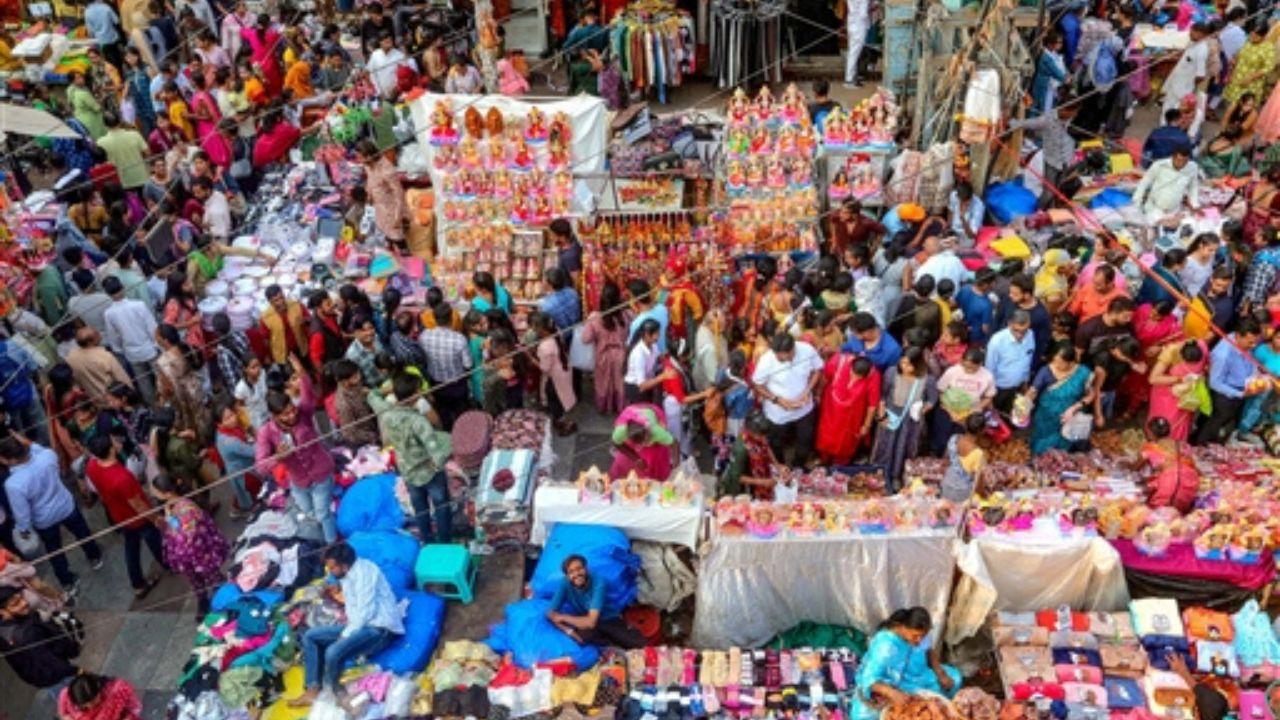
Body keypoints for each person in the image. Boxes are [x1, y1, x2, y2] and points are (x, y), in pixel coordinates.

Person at [290, 543, 404, 707]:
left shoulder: (366, 573)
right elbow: (354, 611)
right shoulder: (346, 575)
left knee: (333, 651)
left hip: (380, 629)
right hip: (361, 625)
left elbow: (366, 612)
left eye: (332, 567)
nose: (330, 571)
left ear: (344, 565)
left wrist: (344, 636)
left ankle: (332, 691)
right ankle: (312, 689)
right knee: (310, 636)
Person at [0, 438, 103, 593]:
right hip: (65, 505)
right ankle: (94, 557)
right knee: (82, 532)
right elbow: (35, 447)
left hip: (44, 520)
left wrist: (23, 530)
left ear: (9, 459)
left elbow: (22, 514)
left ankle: (67, 580)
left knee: (55, 550)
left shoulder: (13, 484)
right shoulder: (47, 455)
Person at [255, 356, 337, 543]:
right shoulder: (266, 433)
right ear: (274, 416)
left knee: (322, 513)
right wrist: (278, 457)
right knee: (309, 514)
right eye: (286, 414)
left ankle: (332, 546)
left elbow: (308, 395)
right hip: (299, 481)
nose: (292, 415)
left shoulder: (304, 413)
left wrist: (301, 372)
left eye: (292, 410)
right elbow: (260, 466)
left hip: (320, 473)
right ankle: (321, 540)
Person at [369, 374, 453, 543]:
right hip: (428, 472)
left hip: (407, 470)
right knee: (441, 506)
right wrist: (439, 464)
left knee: (420, 508)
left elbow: (371, 395)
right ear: (414, 395)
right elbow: (437, 454)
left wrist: (387, 389)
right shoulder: (418, 422)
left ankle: (427, 540)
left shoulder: (386, 411)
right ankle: (444, 540)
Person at [84, 435, 164, 600]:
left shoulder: (92, 466)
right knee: (154, 538)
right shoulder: (122, 478)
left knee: (131, 548)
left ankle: (138, 584)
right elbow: (138, 505)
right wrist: (155, 518)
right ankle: (168, 563)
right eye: (113, 441)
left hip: (119, 515)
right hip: (137, 517)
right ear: (111, 449)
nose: (117, 442)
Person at [850, 607, 961, 720]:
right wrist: (891, 693)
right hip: (890, 681)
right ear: (902, 627)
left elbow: (928, 650)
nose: (919, 640)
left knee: (955, 678)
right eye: (915, 636)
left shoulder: (919, 634)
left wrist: (941, 673)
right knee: (862, 716)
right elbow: (868, 679)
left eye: (922, 636)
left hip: (916, 675)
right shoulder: (886, 646)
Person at [149, 474, 228, 618]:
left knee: (212, 577)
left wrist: (166, 528)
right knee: (195, 580)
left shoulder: (186, 508)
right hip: (186, 555)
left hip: (199, 553)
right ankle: (203, 600)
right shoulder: (169, 505)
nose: (152, 493)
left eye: (155, 491)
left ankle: (226, 600)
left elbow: (188, 536)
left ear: (167, 493)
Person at [752, 333, 823, 467]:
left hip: (804, 410)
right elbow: (757, 385)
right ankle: (781, 469)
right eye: (778, 356)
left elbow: (817, 370)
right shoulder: (766, 360)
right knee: (776, 444)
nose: (781, 358)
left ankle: (798, 467)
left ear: (793, 349)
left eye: (785, 356)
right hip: (778, 414)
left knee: (805, 441)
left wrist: (808, 391)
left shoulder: (807, 350)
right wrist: (777, 400)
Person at [871, 347, 937, 491]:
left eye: (909, 364)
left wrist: (923, 409)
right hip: (891, 415)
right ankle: (880, 473)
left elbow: (932, 399)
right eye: (902, 363)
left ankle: (896, 476)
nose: (905, 367)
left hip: (911, 421)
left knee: (905, 448)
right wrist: (881, 415)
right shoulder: (891, 373)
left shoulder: (927, 379)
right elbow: (883, 395)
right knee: (885, 445)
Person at [546, 554, 645, 648]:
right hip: (586, 621)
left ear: (586, 569)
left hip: (608, 619)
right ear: (567, 576)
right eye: (571, 572)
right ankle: (608, 646)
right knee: (584, 636)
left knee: (637, 643)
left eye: (579, 569)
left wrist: (563, 617)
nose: (576, 574)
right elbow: (550, 614)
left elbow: (591, 622)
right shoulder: (565, 583)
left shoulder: (598, 581)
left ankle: (618, 640)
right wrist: (569, 631)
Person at [1195, 318, 1265, 445]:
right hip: (1224, 396)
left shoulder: (1242, 342)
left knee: (1225, 424)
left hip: (1241, 390)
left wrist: (1256, 376)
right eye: (1250, 343)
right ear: (1238, 336)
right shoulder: (1223, 354)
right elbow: (1214, 383)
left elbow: (1250, 360)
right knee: (1212, 425)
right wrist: (1241, 394)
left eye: (1255, 342)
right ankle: (1200, 447)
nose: (1253, 346)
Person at [0, 585, 81, 690]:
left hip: (42, 676)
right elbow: (51, 662)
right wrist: (77, 671)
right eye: (16, 604)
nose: (24, 603)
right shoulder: (27, 634)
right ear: (2, 611)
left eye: (21, 597)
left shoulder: (7, 626)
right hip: (57, 676)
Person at [101, 276, 158, 405]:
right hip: (149, 348)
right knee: (160, 377)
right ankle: (167, 402)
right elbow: (152, 327)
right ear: (123, 288)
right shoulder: (139, 305)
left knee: (144, 382)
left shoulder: (109, 313)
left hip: (132, 353)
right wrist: (156, 344)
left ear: (108, 294)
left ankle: (153, 406)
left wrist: (121, 350)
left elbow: (113, 337)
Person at [1028, 344, 1095, 454]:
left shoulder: (1083, 373)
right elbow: (1033, 390)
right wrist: (1025, 402)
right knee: (1042, 446)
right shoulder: (1046, 371)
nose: (1056, 364)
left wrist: (1074, 408)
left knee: (1063, 445)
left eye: (1060, 363)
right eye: (1055, 360)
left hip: (1069, 418)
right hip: (1045, 418)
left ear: (1071, 363)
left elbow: (1090, 395)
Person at [815, 354, 880, 465]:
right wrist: (818, 395)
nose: (854, 379)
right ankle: (823, 462)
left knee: (845, 444)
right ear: (851, 367)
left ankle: (840, 468)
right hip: (830, 410)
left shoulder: (874, 376)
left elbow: (872, 404)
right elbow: (825, 378)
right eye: (853, 374)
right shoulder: (837, 361)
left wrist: (866, 425)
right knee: (825, 438)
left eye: (859, 378)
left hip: (853, 417)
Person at [418, 303, 473, 430]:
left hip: (436, 384)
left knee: (444, 415)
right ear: (451, 318)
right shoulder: (459, 339)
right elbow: (468, 365)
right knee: (461, 417)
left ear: (434, 318)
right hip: (457, 384)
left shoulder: (424, 336)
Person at [581, 283, 632, 414]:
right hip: (621, 354)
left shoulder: (595, 318)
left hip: (603, 355)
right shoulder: (626, 315)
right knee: (619, 383)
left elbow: (585, 339)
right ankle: (620, 407)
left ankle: (605, 407)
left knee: (603, 383)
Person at [1163, 23, 1210, 137]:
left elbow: (1201, 75)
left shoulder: (1202, 50)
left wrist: (1190, 87)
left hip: (1184, 88)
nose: (1190, 33)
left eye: (1193, 32)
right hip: (1176, 82)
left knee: (1175, 110)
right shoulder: (1192, 43)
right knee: (1167, 106)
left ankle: (1170, 131)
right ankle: (1164, 127)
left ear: (1201, 34)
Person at [1132, 147, 1202, 223]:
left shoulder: (1192, 167)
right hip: (1154, 208)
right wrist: (1136, 202)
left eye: (1185, 161)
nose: (1181, 164)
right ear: (1173, 158)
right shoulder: (1159, 165)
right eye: (1179, 160)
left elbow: (1193, 187)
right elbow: (1144, 183)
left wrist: (1195, 204)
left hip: (1174, 210)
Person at [536, 313, 578, 436]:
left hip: (554, 377)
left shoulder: (545, 346)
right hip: (563, 371)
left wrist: (530, 357)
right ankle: (562, 418)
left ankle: (561, 422)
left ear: (542, 329)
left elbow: (544, 368)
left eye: (535, 328)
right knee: (562, 396)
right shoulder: (557, 332)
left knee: (554, 400)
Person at [985, 311, 1036, 412]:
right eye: (1016, 330)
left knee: (1015, 413)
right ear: (1009, 324)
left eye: (1024, 331)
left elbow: (1028, 359)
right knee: (998, 415)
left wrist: (1025, 382)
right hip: (1000, 388)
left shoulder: (1030, 335)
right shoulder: (997, 341)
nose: (1020, 335)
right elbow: (990, 368)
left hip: (1020, 386)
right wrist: (989, 392)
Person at [214, 403, 258, 517]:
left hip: (240, 466)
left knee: (242, 491)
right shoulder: (230, 441)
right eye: (227, 418)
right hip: (240, 468)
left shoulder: (225, 431)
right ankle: (242, 510)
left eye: (232, 414)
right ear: (219, 423)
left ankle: (240, 507)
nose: (233, 419)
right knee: (246, 490)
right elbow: (252, 451)